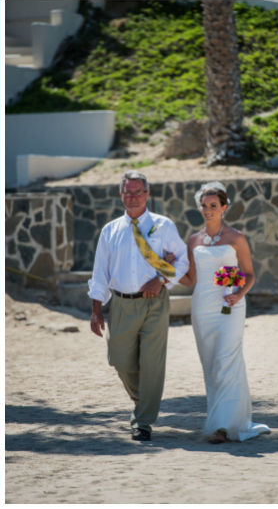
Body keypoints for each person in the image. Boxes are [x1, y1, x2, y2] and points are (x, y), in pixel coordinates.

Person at [88, 171, 189, 441]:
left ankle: (142, 421)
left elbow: (182, 262)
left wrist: (160, 279)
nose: (132, 197)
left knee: (152, 363)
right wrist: (96, 308)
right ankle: (144, 401)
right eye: (127, 192)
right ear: (121, 195)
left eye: (138, 192)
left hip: (155, 302)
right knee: (119, 360)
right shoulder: (110, 230)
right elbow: (100, 272)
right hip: (121, 303)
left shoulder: (163, 225)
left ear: (147, 194)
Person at [171, 182, 269, 444]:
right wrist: (168, 267)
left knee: (227, 359)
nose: (207, 210)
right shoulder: (193, 240)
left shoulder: (236, 238)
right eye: (204, 205)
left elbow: (248, 274)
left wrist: (239, 293)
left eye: (213, 205)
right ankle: (229, 420)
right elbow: (190, 279)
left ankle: (222, 428)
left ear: (224, 208)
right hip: (202, 308)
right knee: (212, 365)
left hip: (231, 306)